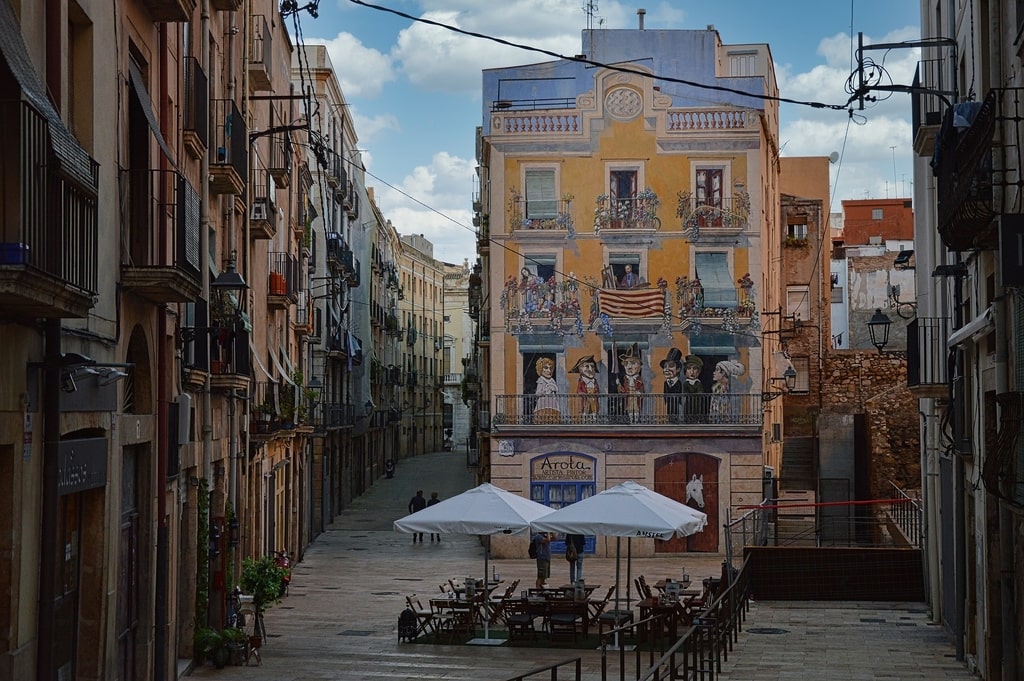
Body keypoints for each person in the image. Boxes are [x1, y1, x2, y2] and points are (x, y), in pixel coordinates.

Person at [616, 344, 644, 423]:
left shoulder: (638, 379)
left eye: (632, 363)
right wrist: (619, 385)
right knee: (630, 409)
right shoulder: (626, 380)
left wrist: (639, 392)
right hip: (629, 397)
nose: (629, 367)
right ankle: (631, 420)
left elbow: (641, 388)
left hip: (636, 397)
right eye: (626, 364)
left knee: (636, 409)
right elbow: (623, 391)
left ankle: (636, 420)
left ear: (639, 366)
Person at [570, 354, 600, 421]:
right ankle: (585, 418)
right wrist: (584, 394)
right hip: (586, 399)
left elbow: (597, 390)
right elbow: (579, 390)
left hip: (593, 398)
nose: (590, 369)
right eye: (587, 366)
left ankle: (594, 418)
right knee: (586, 408)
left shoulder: (594, 381)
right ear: (580, 369)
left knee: (594, 408)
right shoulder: (581, 381)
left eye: (592, 367)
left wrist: (595, 392)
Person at [532, 357, 560, 423]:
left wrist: (553, 389)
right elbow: (538, 393)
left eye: (550, 368)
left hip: (553, 404)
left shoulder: (552, 381)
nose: (548, 370)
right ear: (541, 369)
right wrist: (545, 391)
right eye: (546, 368)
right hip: (543, 404)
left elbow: (556, 390)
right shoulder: (541, 380)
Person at [660, 348, 683, 422]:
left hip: (676, 404)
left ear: (678, 369)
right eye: (665, 366)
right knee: (669, 413)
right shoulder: (665, 383)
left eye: (671, 366)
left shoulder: (678, 383)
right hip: (669, 404)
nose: (667, 369)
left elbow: (680, 396)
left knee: (675, 413)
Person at [682, 354, 706, 423]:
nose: (692, 372)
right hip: (688, 406)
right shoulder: (685, 383)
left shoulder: (698, 383)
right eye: (689, 369)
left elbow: (700, 393)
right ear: (685, 372)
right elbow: (685, 393)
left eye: (694, 369)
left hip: (698, 405)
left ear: (698, 372)